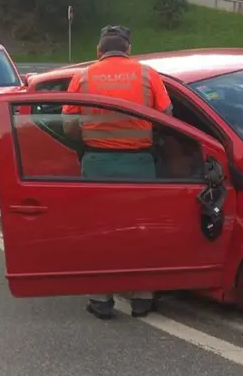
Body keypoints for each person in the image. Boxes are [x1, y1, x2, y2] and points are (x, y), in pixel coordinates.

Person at [61, 25, 174, 320]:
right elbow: (167, 117)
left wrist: (88, 140)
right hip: (139, 164)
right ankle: (143, 298)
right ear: (129, 49)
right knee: (140, 230)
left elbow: (68, 125)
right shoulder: (148, 74)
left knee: (101, 232)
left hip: (97, 163)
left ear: (99, 50)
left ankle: (101, 300)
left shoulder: (83, 76)